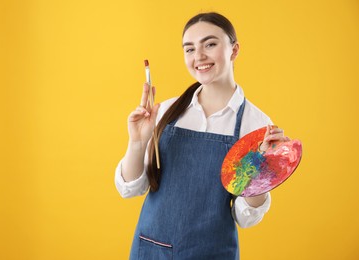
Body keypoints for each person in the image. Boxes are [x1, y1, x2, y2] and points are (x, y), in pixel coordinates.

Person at [115, 12, 288, 259]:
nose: (199, 57)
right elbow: (131, 189)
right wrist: (138, 141)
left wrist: (260, 174)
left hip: (213, 252)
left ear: (234, 50)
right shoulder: (164, 112)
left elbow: (245, 218)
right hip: (153, 249)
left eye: (210, 44)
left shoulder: (257, 125)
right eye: (189, 49)